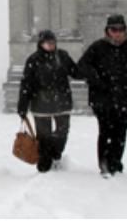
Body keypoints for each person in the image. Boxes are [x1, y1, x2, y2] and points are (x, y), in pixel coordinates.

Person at [77, 14, 127, 177]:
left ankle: (115, 164)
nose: (117, 33)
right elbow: (82, 67)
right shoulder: (97, 48)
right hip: (103, 101)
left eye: (120, 29)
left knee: (120, 134)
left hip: (125, 101)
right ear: (107, 31)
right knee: (105, 133)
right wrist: (97, 79)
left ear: (125, 31)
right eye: (113, 29)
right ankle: (104, 165)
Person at [17, 30, 79, 172]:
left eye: (53, 42)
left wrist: (90, 70)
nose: (51, 45)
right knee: (44, 136)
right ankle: (44, 164)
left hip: (62, 103)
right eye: (47, 42)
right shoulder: (33, 60)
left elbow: (75, 71)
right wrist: (23, 104)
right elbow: (26, 84)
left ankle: (56, 154)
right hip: (41, 104)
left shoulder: (62, 56)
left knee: (62, 133)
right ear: (41, 44)